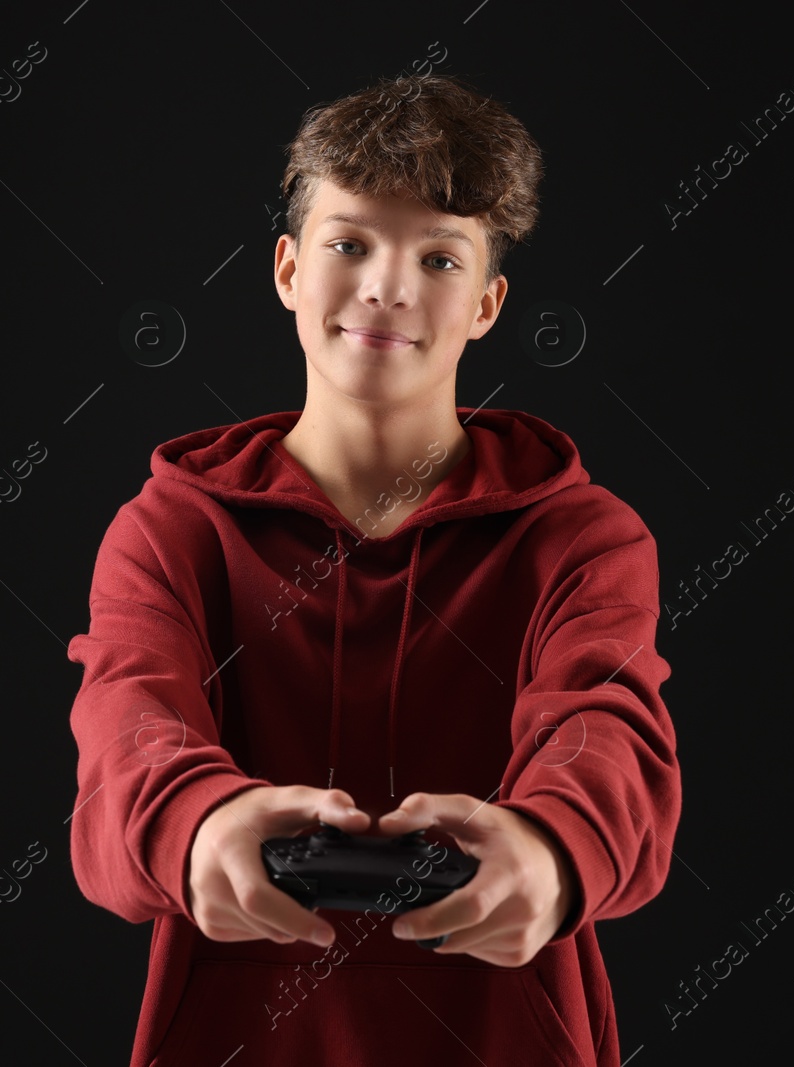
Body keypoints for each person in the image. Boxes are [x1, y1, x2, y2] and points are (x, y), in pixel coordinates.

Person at [66, 71, 681, 1066]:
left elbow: (605, 727)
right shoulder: (168, 529)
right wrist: (195, 821)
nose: (387, 285)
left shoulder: (586, 537)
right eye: (349, 242)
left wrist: (554, 843)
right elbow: (126, 728)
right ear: (285, 271)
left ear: (486, 303)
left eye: (437, 256)